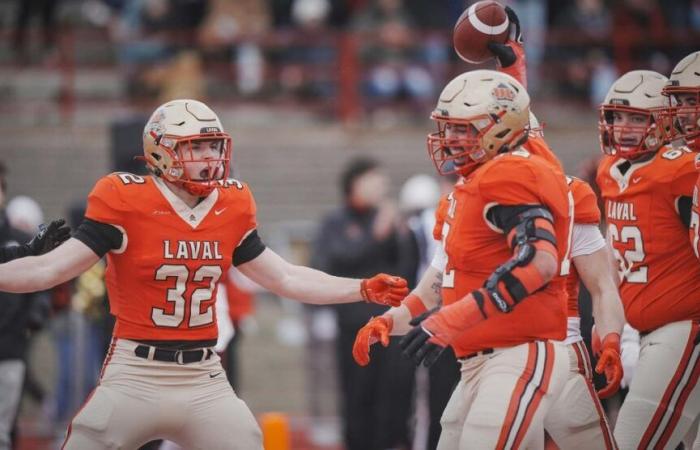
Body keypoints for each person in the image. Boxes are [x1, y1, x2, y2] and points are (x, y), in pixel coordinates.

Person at [0, 99, 409, 450]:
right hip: (135, 372)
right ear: (160, 151)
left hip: (202, 375)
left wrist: (360, 288)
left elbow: (284, 277)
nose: (210, 158)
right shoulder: (123, 198)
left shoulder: (231, 203)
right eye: (195, 147)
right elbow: (50, 267)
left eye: (213, 146)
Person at [354, 70, 572, 448]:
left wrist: (453, 319)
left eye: (463, 129)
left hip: (518, 354)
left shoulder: (510, 171)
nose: (450, 139)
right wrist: (389, 321)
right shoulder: (467, 188)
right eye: (447, 128)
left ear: (501, 129)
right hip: (474, 364)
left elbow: (540, 261)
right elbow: (438, 285)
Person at [596, 70, 700, 449]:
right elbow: (614, 251)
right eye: (616, 117)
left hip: (685, 327)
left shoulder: (681, 168)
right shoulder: (609, 170)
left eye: (637, 118)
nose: (623, 128)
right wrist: (609, 326)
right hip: (644, 332)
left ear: (664, 119)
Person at [312, 157, 415, 450]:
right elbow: (329, 263)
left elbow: (405, 268)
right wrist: (375, 236)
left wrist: (400, 234)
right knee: (357, 393)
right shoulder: (336, 222)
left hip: (390, 324)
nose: (382, 186)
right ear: (355, 183)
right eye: (374, 179)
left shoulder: (388, 219)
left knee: (392, 395)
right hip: (353, 324)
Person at [0, 162, 69, 450]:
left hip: (9, 345)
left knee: (3, 431)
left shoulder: (14, 239)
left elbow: (24, 270)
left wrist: (30, 251)